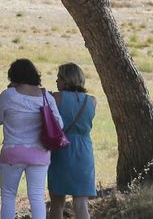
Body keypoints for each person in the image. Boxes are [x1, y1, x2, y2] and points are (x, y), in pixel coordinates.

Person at [0, 58, 63, 219]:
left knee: (8, 196)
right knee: (36, 197)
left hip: (12, 153)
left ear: (13, 76)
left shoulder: (9, 96)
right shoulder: (46, 97)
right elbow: (60, 124)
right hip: (40, 154)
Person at [47, 63, 96, 219]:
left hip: (61, 148)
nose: (56, 81)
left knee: (57, 203)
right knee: (81, 204)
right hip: (84, 151)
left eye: (59, 78)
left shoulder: (56, 97)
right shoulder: (92, 101)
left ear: (66, 80)